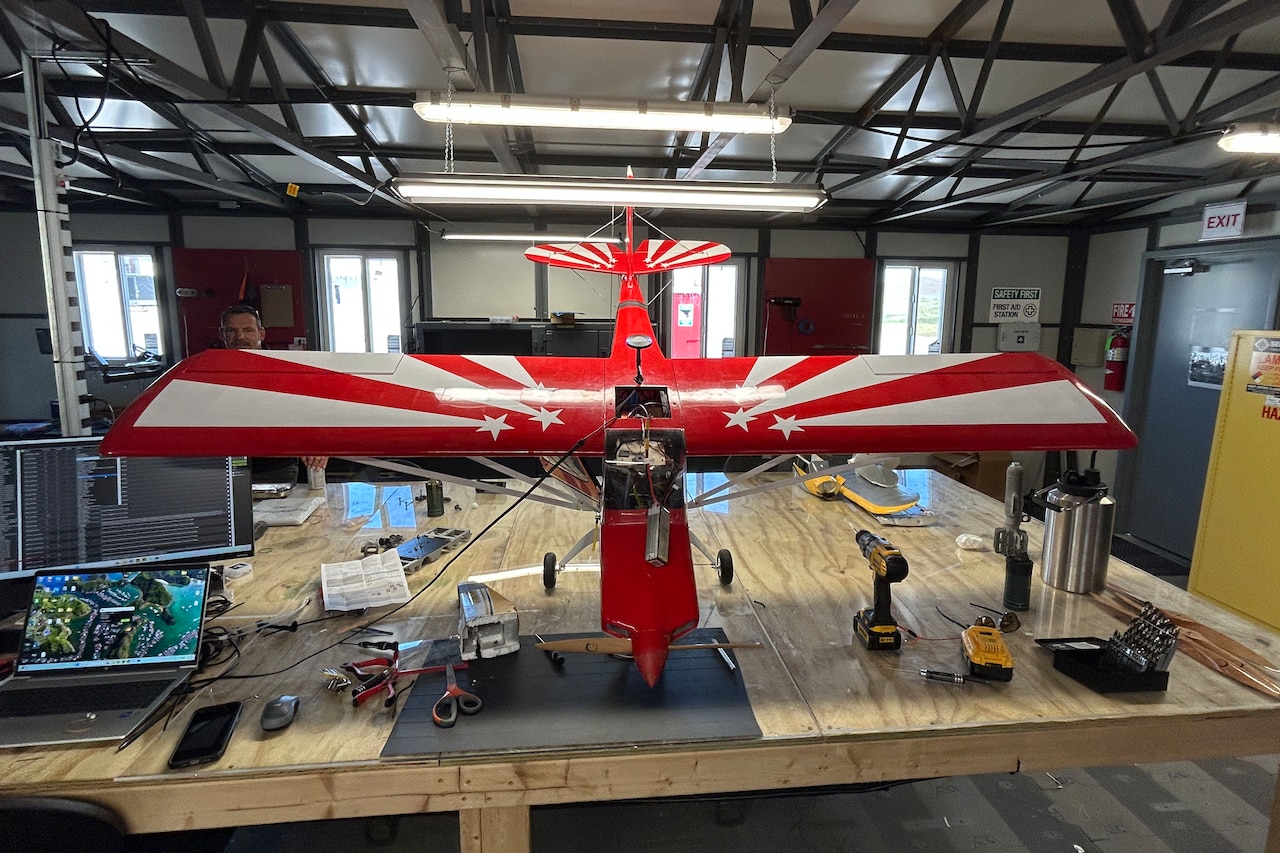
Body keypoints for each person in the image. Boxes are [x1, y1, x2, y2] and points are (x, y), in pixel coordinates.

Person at [220, 304, 328, 481]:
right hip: (224, 467)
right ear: (222, 334)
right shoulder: (206, 373)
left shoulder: (286, 371)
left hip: (277, 466)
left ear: (261, 333)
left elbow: (312, 411)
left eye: (248, 330)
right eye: (231, 331)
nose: (240, 337)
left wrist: (319, 445)